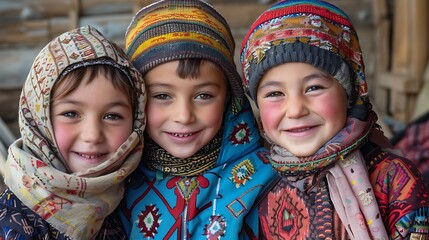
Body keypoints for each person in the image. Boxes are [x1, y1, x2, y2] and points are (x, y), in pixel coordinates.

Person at [240, 0, 429, 239]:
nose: (296, 110)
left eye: (314, 87)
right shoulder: (258, 185)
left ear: (349, 93)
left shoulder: (395, 180)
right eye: (275, 94)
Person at [119, 0, 278, 239]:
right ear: (137, 99)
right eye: (162, 96)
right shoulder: (120, 184)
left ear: (228, 100)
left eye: (204, 96)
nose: (183, 116)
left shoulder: (268, 179)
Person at [0, 25, 146, 239]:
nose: (93, 135)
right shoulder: (14, 221)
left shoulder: (137, 198)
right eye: (71, 114)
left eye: (112, 116)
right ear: (39, 120)